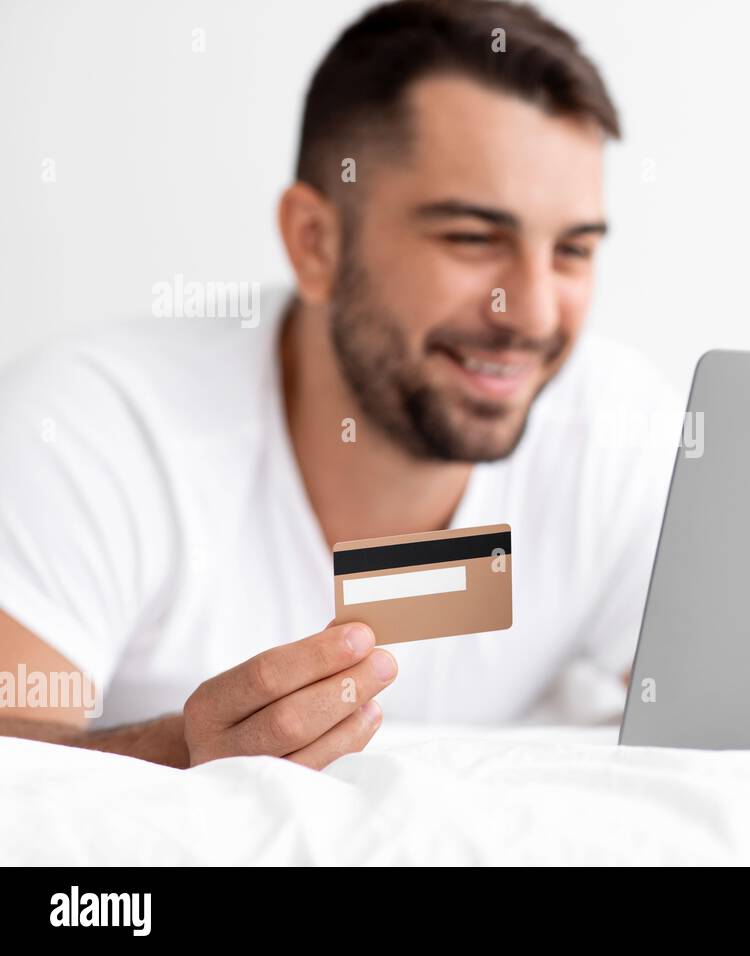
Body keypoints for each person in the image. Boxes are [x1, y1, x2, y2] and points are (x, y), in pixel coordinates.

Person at [0, 0, 678, 769]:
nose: (529, 311)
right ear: (315, 242)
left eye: (572, 251)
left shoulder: (620, 435)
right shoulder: (95, 430)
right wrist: (180, 759)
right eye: (472, 238)